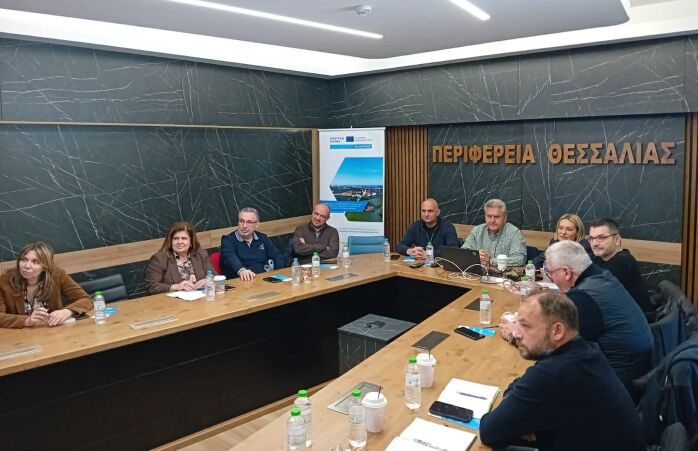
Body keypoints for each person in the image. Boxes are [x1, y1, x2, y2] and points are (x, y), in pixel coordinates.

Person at [480, 291, 643, 451]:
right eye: (517, 323)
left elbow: (489, 432)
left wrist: (516, 412)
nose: (515, 333)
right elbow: (525, 381)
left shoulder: (553, 373)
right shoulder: (585, 350)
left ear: (557, 331)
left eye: (525, 325)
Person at [542, 240, 652, 390]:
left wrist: (520, 334)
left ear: (566, 272)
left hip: (616, 381)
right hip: (638, 369)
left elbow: (560, 347)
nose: (551, 279)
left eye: (550, 273)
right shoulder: (602, 277)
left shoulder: (584, 297)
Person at [0, 241, 92, 329]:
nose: (27, 266)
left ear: (45, 267)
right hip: (19, 335)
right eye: (24, 259)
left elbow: (86, 299)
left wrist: (67, 311)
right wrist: (27, 321)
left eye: (35, 262)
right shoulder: (4, 281)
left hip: (53, 331)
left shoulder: (57, 275)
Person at [589, 218, 651, 313]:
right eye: (591, 239)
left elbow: (596, 294)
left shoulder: (623, 261)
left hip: (632, 319)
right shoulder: (598, 258)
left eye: (601, 238)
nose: (594, 244)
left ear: (617, 239)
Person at [145, 221, 214, 294]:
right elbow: (152, 286)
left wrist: (208, 281)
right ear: (170, 241)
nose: (179, 242)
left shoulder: (201, 254)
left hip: (201, 297)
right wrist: (175, 287)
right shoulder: (159, 259)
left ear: (191, 241)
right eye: (175, 238)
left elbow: (215, 276)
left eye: (184, 238)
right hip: (173, 300)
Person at [220, 207, 286, 281]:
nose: (244, 226)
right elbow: (229, 257)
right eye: (241, 221)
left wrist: (278, 274)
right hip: (240, 280)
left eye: (249, 222)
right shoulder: (228, 240)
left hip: (263, 279)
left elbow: (277, 256)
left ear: (257, 224)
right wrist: (242, 270)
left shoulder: (262, 238)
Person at [461, 199, 526, 266]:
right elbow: (462, 252)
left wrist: (491, 261)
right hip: (478, 271)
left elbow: (520, 258)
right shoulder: (477, 230)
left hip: (503, 272)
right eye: (489, 216)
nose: (492, 221)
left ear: (505, 217)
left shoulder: (514, 233)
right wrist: (475, 256)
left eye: (496, 217)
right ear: (485, 217)